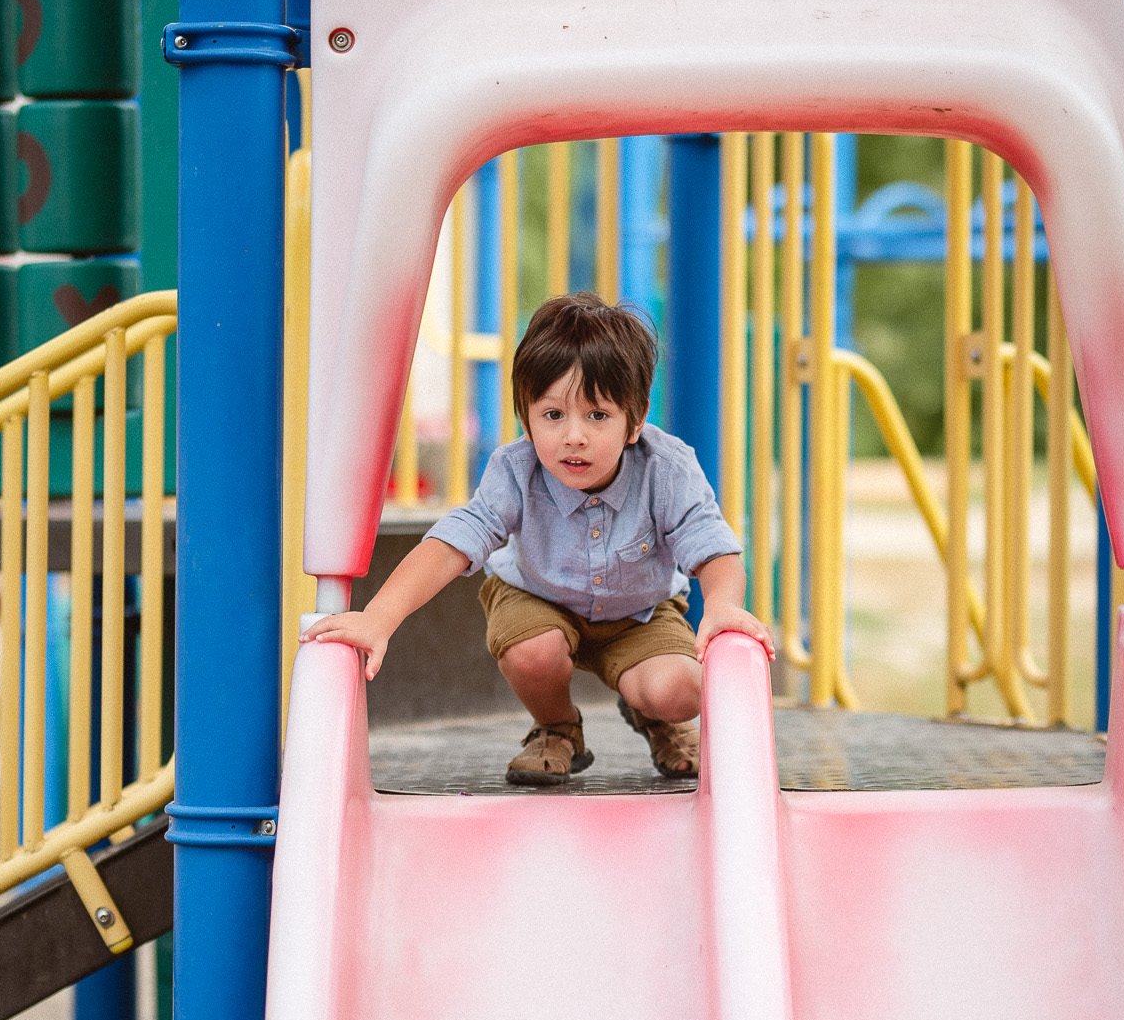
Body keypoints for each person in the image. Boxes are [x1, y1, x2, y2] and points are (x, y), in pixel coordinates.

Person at [301, 292, 775, 785]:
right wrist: (378, 619)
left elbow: (710, 542)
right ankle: (557, 729)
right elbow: (453, 543)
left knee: (681, 691)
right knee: (533, 648)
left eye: (598, 415)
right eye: (553, 415)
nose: (574, 436)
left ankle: (655, 718)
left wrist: (722, 606)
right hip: (537, 599)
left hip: (639, 615)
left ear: (635, 420)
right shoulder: (515, 470)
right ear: (525, 417)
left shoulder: (667, 468)